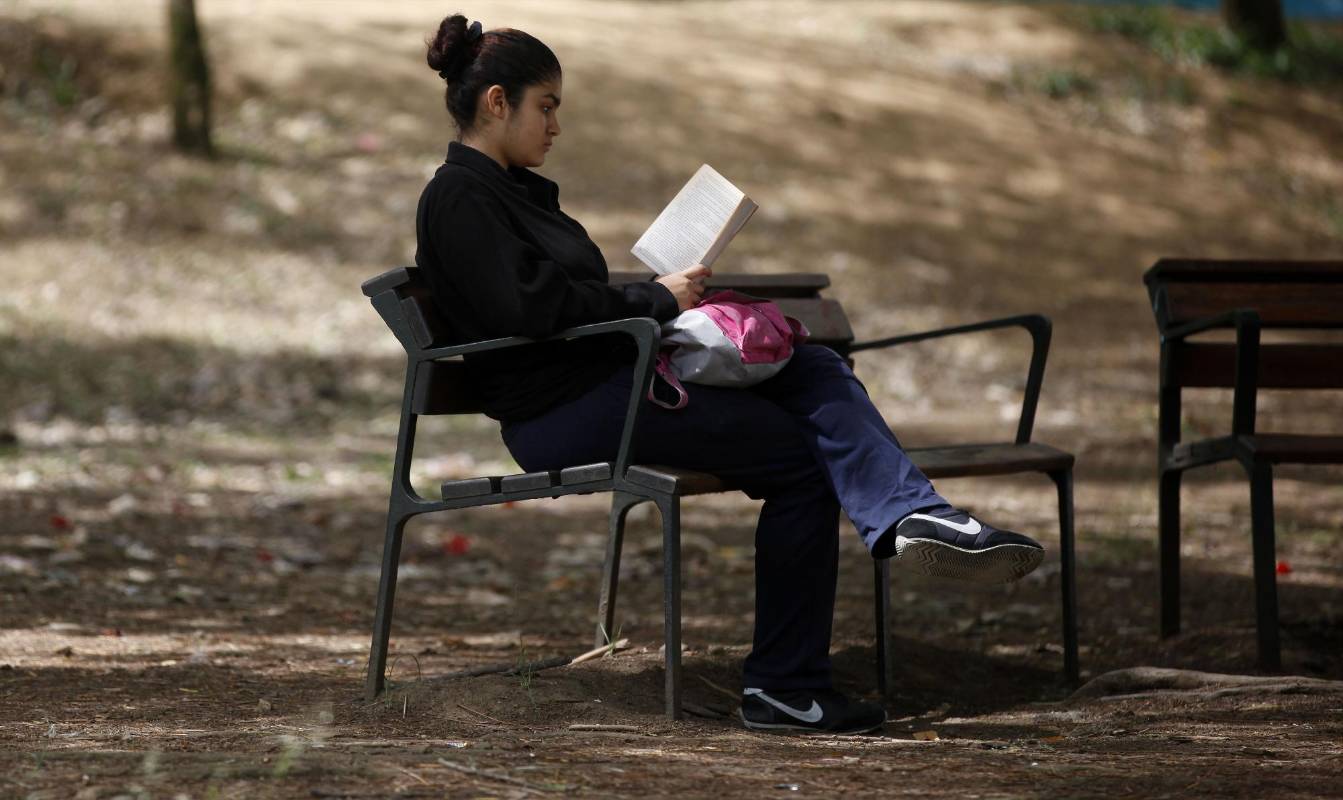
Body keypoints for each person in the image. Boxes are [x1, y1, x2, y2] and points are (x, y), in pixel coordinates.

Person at [415, 14, 1045, 735]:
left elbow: (550, 298)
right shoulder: (459, 197)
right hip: (566, 412)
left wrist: (663, 302)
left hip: (610, 385)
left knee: (810, 363)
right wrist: (655, 299)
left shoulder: (512, 191)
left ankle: (915, 515)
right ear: (498, 102)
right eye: (547, 105)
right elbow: (528, 308)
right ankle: (783, 685)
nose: (556, 125)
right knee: (806, 460)